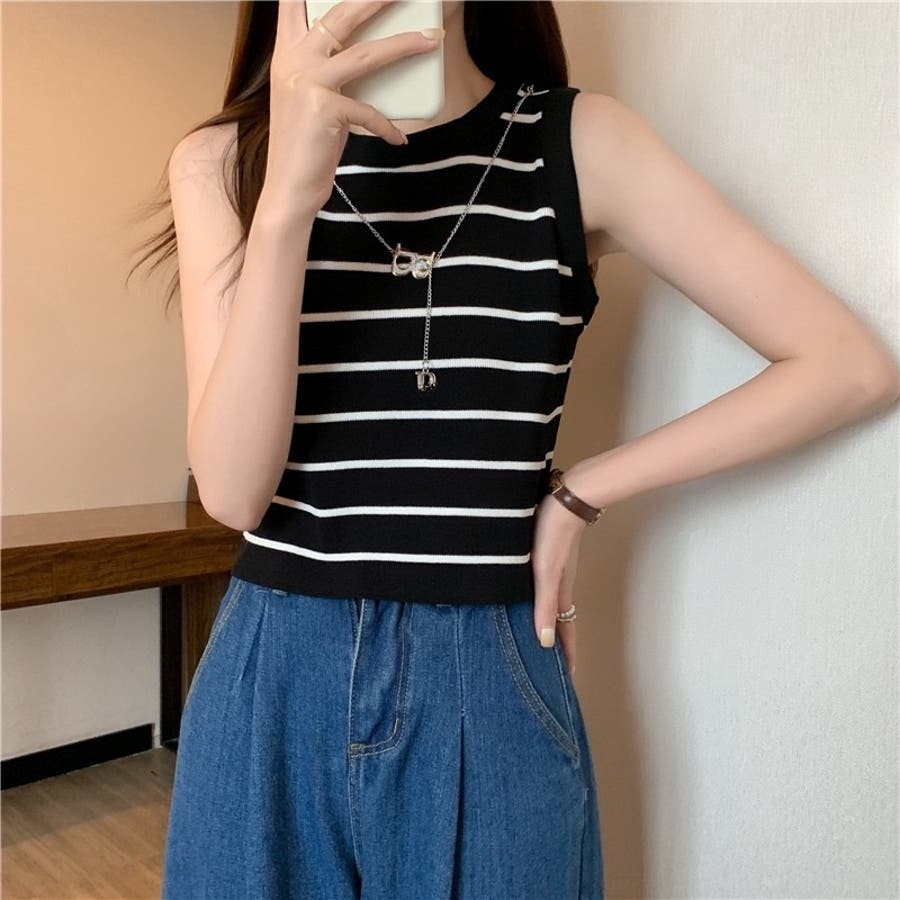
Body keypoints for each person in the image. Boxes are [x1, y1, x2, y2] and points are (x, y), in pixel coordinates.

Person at [130, 1, 899, 897]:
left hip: (487, 672)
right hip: (271, 671)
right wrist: (287, 206)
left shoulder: (576, 143)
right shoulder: (225, 161)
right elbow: (233, 493)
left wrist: (580, 494)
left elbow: (847, 365)